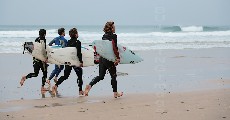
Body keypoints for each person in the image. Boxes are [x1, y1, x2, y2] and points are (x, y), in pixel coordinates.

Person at [84, 21, 123, 98]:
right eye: (114, 27)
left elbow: (103, 49)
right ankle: (115, 93)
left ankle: (89, 85)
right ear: (111, 28)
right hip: (109, 59)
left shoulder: (103, 36)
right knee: (113, 76)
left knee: (101, 76)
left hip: (102, 58)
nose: (115, 28)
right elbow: (114, 48)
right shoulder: (114, 36)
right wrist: (117, 58)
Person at [52, 28, 84, 96]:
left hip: (68, 61)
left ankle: (55, 85)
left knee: (65, 76)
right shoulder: (78, 42)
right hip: (75, 62)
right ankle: (80, 90)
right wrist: (81, 62)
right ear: (75, 34)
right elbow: (78, 53)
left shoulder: (68, 42)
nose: (78, 34)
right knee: (80, 75)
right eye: (77, 33)